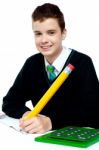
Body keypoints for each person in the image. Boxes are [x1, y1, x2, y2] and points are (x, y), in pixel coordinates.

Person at [2, 3, 99, 134]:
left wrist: (51, 122)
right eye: (38, 34)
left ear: (63, 33)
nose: (44, 40)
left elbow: (93, 113)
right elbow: (10, 102)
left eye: (51, 33)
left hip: (72, 140)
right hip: (35, 141)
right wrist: (27, 114)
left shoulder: (82, 63)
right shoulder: (32, 64)